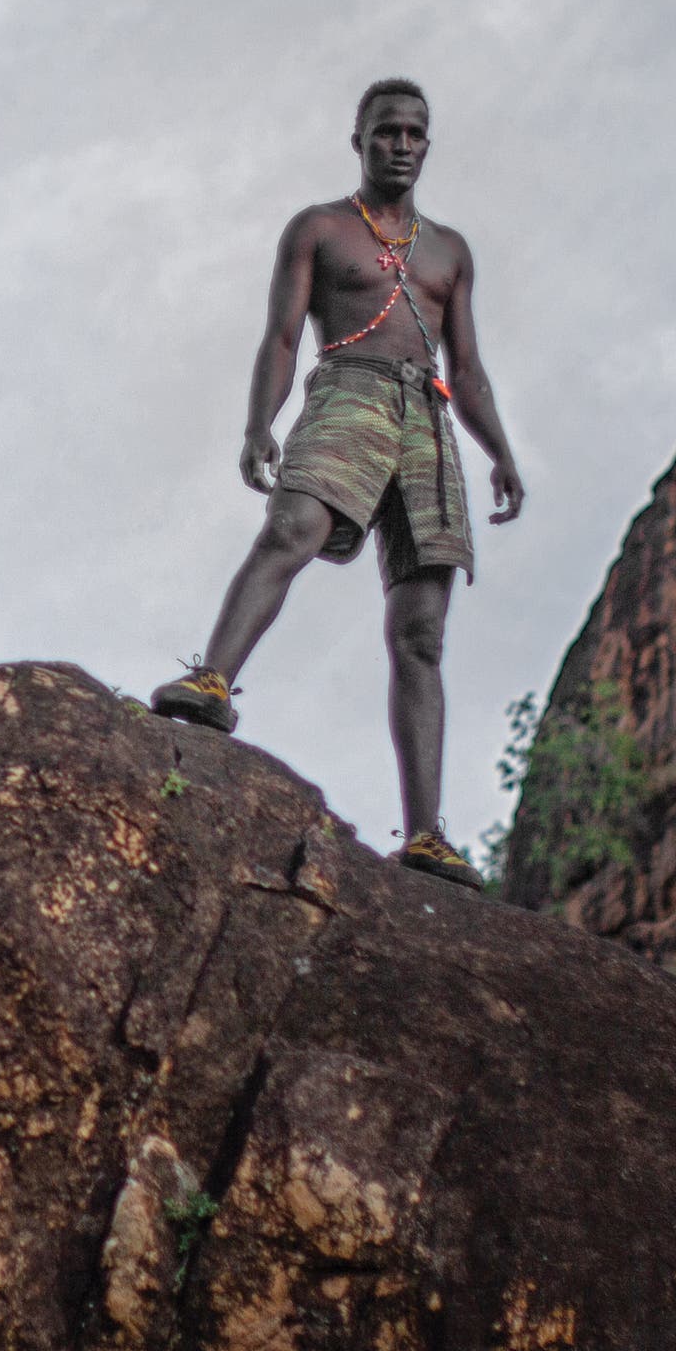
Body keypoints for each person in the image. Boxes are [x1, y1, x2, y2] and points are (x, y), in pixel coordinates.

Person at [149, 77, 524, 883]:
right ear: (357, 140)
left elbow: (470, 366)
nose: (401, 143)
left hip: (426, 416)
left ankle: (425, 834)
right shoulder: (319, 228)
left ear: (428, 145)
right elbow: (282, 336)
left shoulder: (450, 251)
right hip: (349, 388)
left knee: (421, 631)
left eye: (415, 133)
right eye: (386, 130)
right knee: (292, 530)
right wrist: (260, 423)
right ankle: (213, 679)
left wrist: (499, 451)